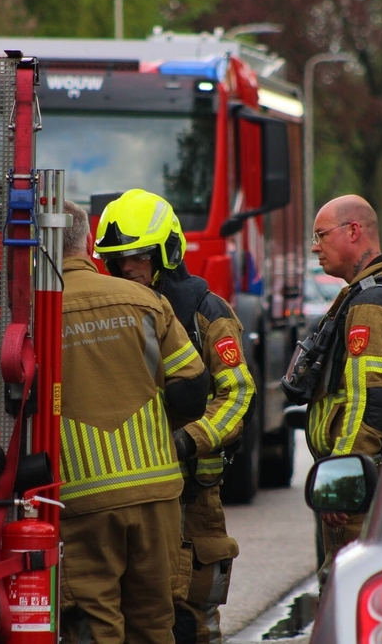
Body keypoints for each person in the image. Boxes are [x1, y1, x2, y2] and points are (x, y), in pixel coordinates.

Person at [94, 189, 255, 644]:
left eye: (139, 257)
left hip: (191, 498)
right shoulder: (113, 310)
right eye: (118, 259)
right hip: (131, 492)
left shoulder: (204, 311)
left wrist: (189, 440)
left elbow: (239, 394)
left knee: (192, 620)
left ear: (167, 251)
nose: (127, 268)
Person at [58, 199, 211, 644]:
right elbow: (193, 389)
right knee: (152, 624)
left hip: (82, 498)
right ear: (87, 242)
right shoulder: (146, 301)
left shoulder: (35, 310)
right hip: (157, 495)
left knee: (97, 625)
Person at [301, 194, 382, 584]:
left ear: (353, 231)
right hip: (374, 482)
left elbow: (370, 399)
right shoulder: (374, 292)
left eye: (321, 235)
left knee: (347, 598)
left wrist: (345, 480)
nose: (314, 246)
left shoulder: (371, 303)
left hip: (361, 494)